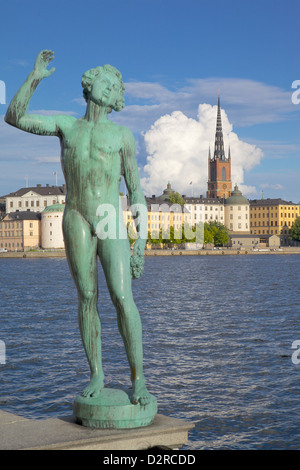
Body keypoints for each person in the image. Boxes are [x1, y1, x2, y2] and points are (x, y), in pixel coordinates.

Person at [5, 50, 151, 406]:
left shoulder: (121, 136)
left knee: (121, 297)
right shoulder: (66, 126)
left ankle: (139, 378)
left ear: (115, 96)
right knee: (87, 298)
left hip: (108, 216)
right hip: (75, 217)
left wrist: (140, 240)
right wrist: (34, 77)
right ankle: (97, 374)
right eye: (104, 80)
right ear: (91, 87)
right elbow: (14, 117)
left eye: (113, 84)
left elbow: (136, 191)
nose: (107, 86)